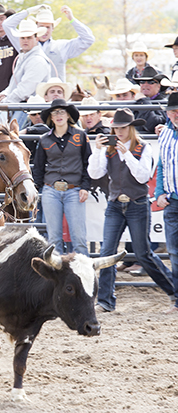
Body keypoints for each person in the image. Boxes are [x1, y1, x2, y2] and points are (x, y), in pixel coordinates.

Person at [88, 108, 177, 312]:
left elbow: (143, 176)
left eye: (123, 127)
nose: (119, 132)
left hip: (137, 203)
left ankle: (174, 291)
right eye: (116, 128)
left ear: (131, 128)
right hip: (115, 203)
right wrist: (98, 150)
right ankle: (105, 301)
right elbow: (95, 172)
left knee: (143, 253)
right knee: (107, 251)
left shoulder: (142, 147)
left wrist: (126, 154)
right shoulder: (109, 149)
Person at [33, 98, 91, 255]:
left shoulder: (81, 136)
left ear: (68, 116)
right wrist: (37, 190)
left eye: (62, 112)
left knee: (78, 237)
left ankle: (83, 274)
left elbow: (88, 163)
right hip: (50, 190)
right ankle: (55, 277)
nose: (58, 115)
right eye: (55, 113)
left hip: (75, 190)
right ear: (51, 117)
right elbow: (38, 168)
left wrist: (85, 187)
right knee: (54, 238)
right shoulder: (44, 139)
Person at [3, 5, 95, 82]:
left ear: (53, 28)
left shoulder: (61, 46)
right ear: (36, 27)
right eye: (42, 26)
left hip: (55, 99)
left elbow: (88, 39)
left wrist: (72, 19)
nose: (45, 31)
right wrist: (29, 11)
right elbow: (7, 25)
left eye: (48, 27)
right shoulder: (25, 41)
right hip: (30, 99)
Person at [154, 92, 178, 313]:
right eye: (172, 111)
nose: (176, 114)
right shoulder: (166, 135)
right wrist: (159, 192)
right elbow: (161, 166)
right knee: (174, 252)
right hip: (172, 200)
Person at [0, 19, 50, 105]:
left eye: (29, 37)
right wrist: (5, 93)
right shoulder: (23, 57)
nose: (25, 40)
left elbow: (25, 90)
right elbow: (15, 84)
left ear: (36, 39)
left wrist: (5, 102)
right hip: (22, 105)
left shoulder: (38, 60)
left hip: (32, 109)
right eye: (22, 37)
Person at [133, 67, 169, 133]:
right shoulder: (135, 102)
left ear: (159, 86)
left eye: (151, 82)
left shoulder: (164, 103)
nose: (145, 85)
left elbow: (154, 125)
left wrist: (143, 101)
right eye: (142, 82)